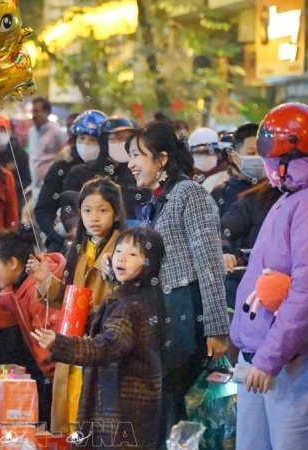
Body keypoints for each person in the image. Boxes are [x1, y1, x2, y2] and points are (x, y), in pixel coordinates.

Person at [229, 103, 308, 450]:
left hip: (292, 363)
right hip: (270, 358)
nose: (265, 165)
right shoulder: (296, 196)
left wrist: (269, 358)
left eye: (269, 156)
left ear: (289, 158)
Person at [124, 120, 230, 448]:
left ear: (163, 158)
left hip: (185, 313)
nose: (130, 163)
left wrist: (216, 329)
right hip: (162, 314)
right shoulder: (158, 198)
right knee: (165, 409)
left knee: (179, 409)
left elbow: (210, 264)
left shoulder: (189, 194)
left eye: (138, 155)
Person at [32, 227, 165, 450]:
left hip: (121, 409)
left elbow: (108, 346)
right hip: (126, 407)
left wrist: (60, 343)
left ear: (149, 263)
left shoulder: (130, 304)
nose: (121, 257)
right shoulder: (139, 297)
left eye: (133, 254)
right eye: (119, 250)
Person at [31, 177, 126, 434]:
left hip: (102, 342)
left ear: (116, 213)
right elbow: (69, 297)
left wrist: (116, 267)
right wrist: (45, 279)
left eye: (103, 210)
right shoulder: (79, 249)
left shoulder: (124, 249)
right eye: (87, 210)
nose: (94, 217)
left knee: (96, 415)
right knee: (71, 413)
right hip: (73, 338)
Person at [0, 229, 64, 425]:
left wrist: (51, 368)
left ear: (13, 263)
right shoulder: (14, 289)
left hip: (60, 370)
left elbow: (53, 334)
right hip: (49, 371)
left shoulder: (37, 290)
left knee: (59, 426)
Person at [36, 110, 107, 252]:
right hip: (64, 245)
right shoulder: (62, 167)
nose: (86, 144)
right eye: (82, 138)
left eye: (93, 140)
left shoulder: (110, 170)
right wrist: (57, 237)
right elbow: (43, 209)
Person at [64, 116, 150, 224]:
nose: (123, 143)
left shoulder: (141, 174)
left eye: (128, 139)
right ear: (104, 142)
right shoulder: (81, 173)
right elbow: (70, 209)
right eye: (117, 138)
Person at [220, 180, 283, 309]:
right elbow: (221, 229)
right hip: (249, 291)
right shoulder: (259, 199)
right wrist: (223, 251)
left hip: (286, 291)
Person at [211, 123, 263, 217]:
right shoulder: (221, 193)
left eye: (262, 153)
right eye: (251, 153)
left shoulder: (275, 192)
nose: (258, 157)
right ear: (235, 157)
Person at [29, 97, 67, 193]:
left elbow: (65, 154)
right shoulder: (31, 131)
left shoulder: (56, 131)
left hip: (50, 186)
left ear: (46, 113)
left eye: (37, 111)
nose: (33, 115)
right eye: (32, 111)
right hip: (35, 186)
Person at [0, 114, 32, 201]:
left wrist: (9, 187)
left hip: (14, 198)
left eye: (4, 131)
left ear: (9, 132)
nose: (0, 134)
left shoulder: (19, 153)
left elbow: (26, 178)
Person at [188, 127, 231, 193]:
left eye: (209, 152)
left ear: (219, 154)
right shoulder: (186, 178)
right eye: (198, 153)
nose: (204, 157)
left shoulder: (226, 176)